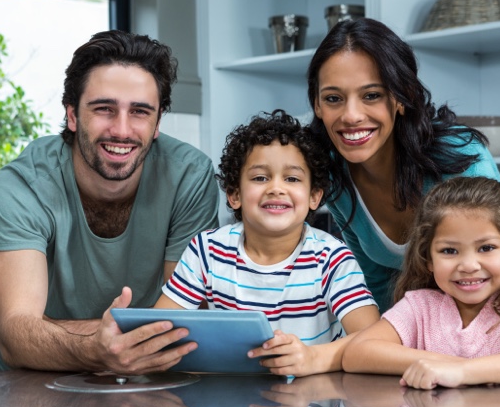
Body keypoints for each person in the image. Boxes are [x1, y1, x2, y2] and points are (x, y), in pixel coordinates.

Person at [0, 30, 220, 374]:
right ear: (73, 116)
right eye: (105, 109)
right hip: (24, 387)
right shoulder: (22, 184)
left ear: (156, 124)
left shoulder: (188, 177)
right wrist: (85, 345)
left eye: (139, 111)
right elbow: (17, 341)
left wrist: (46, 328)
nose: (121, 130)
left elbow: (183, 323)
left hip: (141, 382)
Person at [306, 17, 500, 312]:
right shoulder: (334, 174)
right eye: (333, 98)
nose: (351, 115)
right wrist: (384, 349)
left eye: (371, 95)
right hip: (423, 335)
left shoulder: (456, 155)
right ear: (318, 106)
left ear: (401, 97)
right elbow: (375, 283)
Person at [153, 109, 380, 377]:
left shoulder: (332, 259)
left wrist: (311, 358)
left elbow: (374, 340)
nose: (276, 188)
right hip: (232, 402)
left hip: (316, 402)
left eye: (292, 179)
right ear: (234, 194)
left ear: (314, 197)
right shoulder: (207, 251)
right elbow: (160, 330)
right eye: (260, 178)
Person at [342, 177, 500, 389]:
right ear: (428, 259)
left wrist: (462, 371)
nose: (468, 265)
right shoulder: (419, 307)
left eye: (486, 248)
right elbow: (357, 353)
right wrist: (445, 364)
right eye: (449, 250)